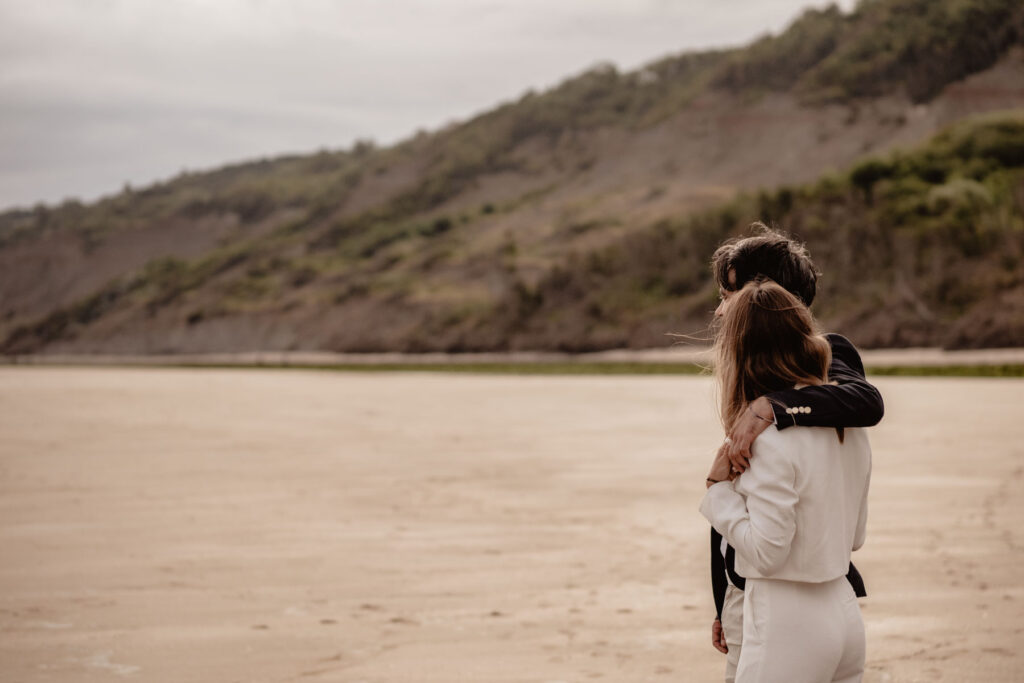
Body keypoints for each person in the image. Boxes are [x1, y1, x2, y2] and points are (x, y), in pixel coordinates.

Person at [704, 226, 883, 682]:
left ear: (765, 296)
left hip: (784, 602)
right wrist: (722, 603)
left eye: (730, 295)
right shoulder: (840, 432)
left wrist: (772, 408)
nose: (721, 310)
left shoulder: (828, 359)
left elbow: (868, 402)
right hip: (829, 601)